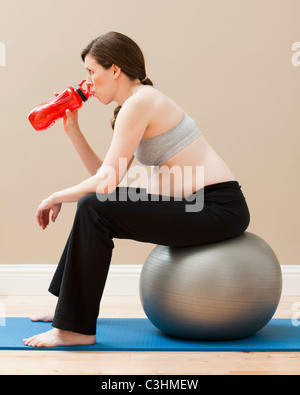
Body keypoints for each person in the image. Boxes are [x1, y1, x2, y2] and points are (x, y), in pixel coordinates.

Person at [23, 32, 250, 347]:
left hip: (215, 208)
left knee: (93, 206)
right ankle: (68, 310)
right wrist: (73, 130)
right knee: (94, 203)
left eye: (91, 71)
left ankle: (74, 327)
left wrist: (55, 196)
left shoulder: (141, 102)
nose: (86, 81)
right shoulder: (137, 103)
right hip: (196, 205)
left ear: (114, 70)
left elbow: (104, 184)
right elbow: (105, 177)